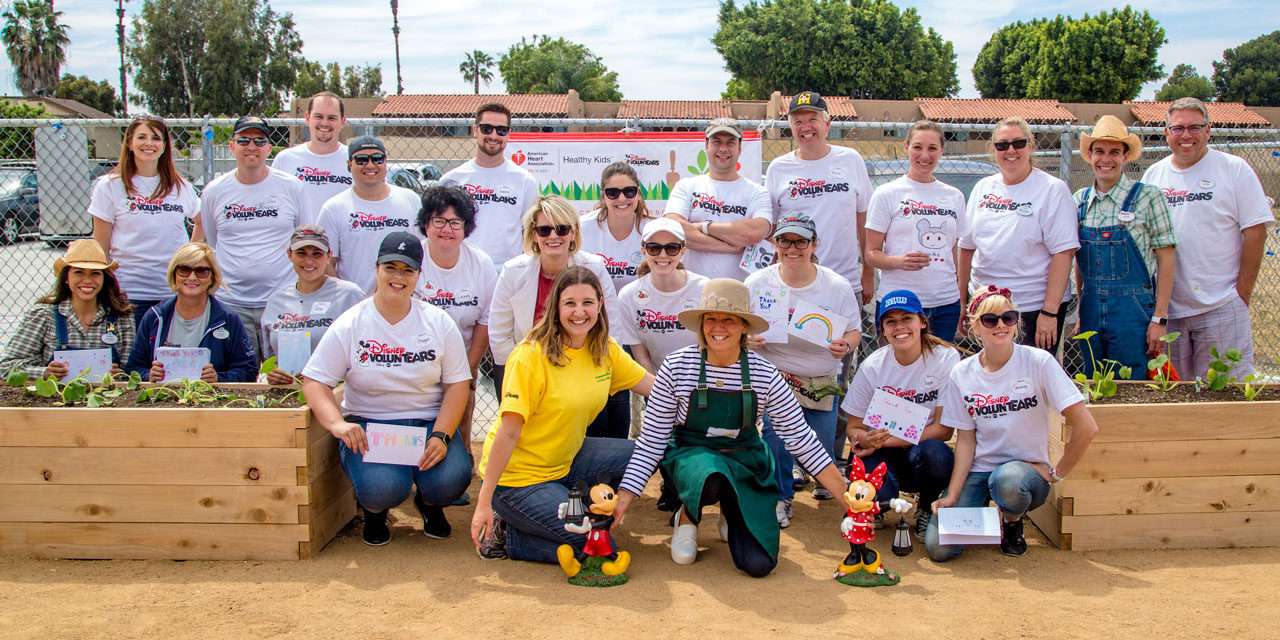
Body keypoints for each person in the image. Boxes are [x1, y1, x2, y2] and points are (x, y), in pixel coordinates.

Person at [613, 278, 850, 577]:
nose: (718, 327)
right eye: (710, 319)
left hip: (745, 461)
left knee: (759, 564)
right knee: (711, 472)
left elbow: (801, 440)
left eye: (729, 320)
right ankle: (687, 516)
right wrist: (623, 501)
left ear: (744, 327)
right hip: (691, 458)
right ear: (700, 325)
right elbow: (651, 442)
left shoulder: (766, 374)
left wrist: (847, 499)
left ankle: (732, 509)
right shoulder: (676, 367)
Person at [470, 266, 654, 564]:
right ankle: (509, 534)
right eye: (569, 303)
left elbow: (653, 388)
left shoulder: (603, 348)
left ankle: (566, 511)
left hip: (567, 460)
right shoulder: (530, 356)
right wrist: (484, 499)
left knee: (643, 452)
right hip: (520, 480)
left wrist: (703, 395)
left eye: (587, 303)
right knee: (599, 547)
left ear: (600, 305)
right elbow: (509, 432)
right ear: (555, 307)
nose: (579, 312)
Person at [301, 231, 473, 546]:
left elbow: (458, 384)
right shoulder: (352, 323)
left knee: (451, 478)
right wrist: (338, 424)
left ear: (419, 276)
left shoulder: (438, 322)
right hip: (371, 426)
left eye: (408, 270)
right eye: (390, 267)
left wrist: (441, 435)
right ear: (377, 268)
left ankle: (431, 504)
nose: (398, 276)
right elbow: (314, 380)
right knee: (383, 487)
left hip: (426, 424)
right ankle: (374, 511)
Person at [927, 286, 1098, 560]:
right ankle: (981, 504)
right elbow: (966, 440)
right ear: (974, 325)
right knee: (939, 548)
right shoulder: (962, 373)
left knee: (1008, 481)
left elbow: (1087, 426)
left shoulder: (1039, 362)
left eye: (1009, 317)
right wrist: (954, 494)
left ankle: (1011, 521)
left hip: (1024, 473)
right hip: (980, 470)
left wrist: (1057, 473)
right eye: (990, 320)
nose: (1001, 325)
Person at [1142, 97, 1273, 379]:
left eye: (1194, 127)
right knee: (1176, 399)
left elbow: (1255, 232)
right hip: (1170, 312)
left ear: (1208, 130)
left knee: (1227, 395)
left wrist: (1241, 294)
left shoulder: (1233, 169)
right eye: (1177, 128)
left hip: (1221, 306)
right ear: (1166, 132)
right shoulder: (1154, 175)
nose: (1186, 135)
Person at [744, 214, 860, 516]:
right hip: (775, 375)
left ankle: (825, 478)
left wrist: (845, 344)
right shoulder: (757, 283)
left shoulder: (836, 285)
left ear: (814, 244)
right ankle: (781, 496)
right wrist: (748, 339)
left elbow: (854, 330)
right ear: (774, 243)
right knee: (776, 436)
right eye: (785, 240)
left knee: (818, 445)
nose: (792, 248)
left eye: (801, 241)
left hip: (820, 378)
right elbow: (739, 327)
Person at [488, 195, 619, 436]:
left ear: (573, 233)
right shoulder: (513, 272)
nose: (553, 236)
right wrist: (526, 374)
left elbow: (612, 328)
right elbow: (499, 335)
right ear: (533, 235)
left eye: (561, 228)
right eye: (544, 230)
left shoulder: (594, 268)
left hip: (582, 366)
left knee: (615, 391)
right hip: (530, 368)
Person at [841, 289, 960, 541]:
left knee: (937, 454)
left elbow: (943, 429)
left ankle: (927, 506)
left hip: (921, 448)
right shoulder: (872, 366)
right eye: (891, 321)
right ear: (882, 330)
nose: (899, 327)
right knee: (874, 493)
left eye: (907, 318)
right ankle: (878, 507)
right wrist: (863, 438)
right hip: (882, 451)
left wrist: (883, 439)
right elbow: (853, 426)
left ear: (922, 322)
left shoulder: (945, 359)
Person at [958, 117, 1079, 353]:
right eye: (1002, 145)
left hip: (1031, 307)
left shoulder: (1052, 189)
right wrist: (963, 302)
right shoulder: (983, 187)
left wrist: (1049, 311)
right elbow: (966, 247)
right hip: (986, 306)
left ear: (1031, 145)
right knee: (992, 376)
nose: (1010, 150)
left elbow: (1063, 253)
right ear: (993, 150)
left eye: (1018, 143)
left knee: (1030, 380)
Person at [1074, 116, 1176, 379]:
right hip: (1091, 307)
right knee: (1094, 383)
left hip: (1133, 310)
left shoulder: (1148, 196)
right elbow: (1078, 261)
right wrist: (1080, 306)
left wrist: (1159, 319)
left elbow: (1166, 259)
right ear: (1089, 155)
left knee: (1131, 383)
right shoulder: (1079, 201)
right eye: (1099, 151)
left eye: (1114, 152)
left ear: (1126, 156)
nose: (1105, 159)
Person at [200, 115, 306, 359]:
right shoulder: (214, 191)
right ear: (232, 145)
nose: (251, 147)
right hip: (232, 301)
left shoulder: (292, 187)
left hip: (284, 299)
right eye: (244, 140)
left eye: (259, 141)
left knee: (288, 372)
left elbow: (301, 238)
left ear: (269, 147)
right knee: (239, 375)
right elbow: (214, 241)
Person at [89, 115, 201, 327]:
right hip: (127, 293)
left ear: (165, 145)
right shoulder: (109, 186)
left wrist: (189, 258)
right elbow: (100, 246)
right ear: (130, 143)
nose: (149, 143)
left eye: (156, 138)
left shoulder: (180, 187)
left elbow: (201, 220)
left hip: (172, 292)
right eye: (142, 137)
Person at [765, 92, 874, 304]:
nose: (806, 127)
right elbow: (771, 230)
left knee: (846, 338)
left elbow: (864, 222)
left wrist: (868, 274)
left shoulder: (850, 160)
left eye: (812, 119)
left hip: (844, 282)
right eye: (798, 122)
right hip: (794, 284)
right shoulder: (778, 168)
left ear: (827, 124)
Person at [865, 120, 966, 341]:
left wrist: (961, 297)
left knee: (939, 371)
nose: (925, 155)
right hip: (899, 302)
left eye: (932, 148)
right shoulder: (887, 193)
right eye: (918, 147)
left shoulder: (954, 196)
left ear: (941, 151)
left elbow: (955, 251)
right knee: (898, 371)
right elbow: (871, 254)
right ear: (906, 147)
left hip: (945, 304)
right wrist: (899, 262)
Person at [414, 185, 498, 442]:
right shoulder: (413, 257)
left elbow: (485, 321)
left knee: (463, 385)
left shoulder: (480, 263)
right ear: (426, 224)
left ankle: (463, 448)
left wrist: (468, 368)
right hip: (417, 355)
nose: (446, 229)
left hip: (462, 354)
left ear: (466, 228)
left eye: (455, 222)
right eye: (439, 221)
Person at [0, 240, 134, 379]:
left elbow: (131, 369)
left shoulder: (121, 317)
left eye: (95, 273)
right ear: (66, 278)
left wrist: (119, 375)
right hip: (53, 397)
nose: (87, 280)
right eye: (78, 272)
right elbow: (6, 367)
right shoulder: (44, 316)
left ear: (104, 279)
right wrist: (45, 373)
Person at [126, 242, 257, 383]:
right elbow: (133, 367)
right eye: (184, 270)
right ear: (174, 274)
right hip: (162, 399)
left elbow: (248, 370)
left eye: (202, 271)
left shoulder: (228, 319)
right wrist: (148, 375)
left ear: (212, 278)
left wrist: (218, 378)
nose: (192, 277)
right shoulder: (154, 317)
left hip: (212, 400)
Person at [664, 118, 771, 280]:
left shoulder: (757, 192)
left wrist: (705, 227)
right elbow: (673, 230)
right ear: (706, 146)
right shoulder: (686, 186)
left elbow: (754, 232)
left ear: (740, 148)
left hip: (739, 291)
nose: (723, 149)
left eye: (730, 143)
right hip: (691, 290)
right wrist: (731, 246)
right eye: (716, 142)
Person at [259, 225, 364, 384]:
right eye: (301, 253)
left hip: (335, 392)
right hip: (288, 396)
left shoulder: (350, 295)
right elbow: (269, 360)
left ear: (329, 256)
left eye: (317, 254)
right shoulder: (276, 301)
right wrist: (272, 375)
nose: (309, 261)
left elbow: (365, 352)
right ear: (289, 254)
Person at [317, 136, 423, 294]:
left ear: (385, 163)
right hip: (354, 306)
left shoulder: (410, 200)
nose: (370, 165)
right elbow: (326, 263)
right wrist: (346, 297)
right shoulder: (334, 208)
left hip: (401, 300)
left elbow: (422, 252)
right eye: (361, 160)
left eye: (378, 159)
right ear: (349, 164)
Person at [440, 102, 540, 266]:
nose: (494, 136)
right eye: (487, 129)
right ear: (475, 130)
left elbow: (530, 232)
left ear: (509, 134)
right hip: (462, 268)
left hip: (507, 272)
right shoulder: (452, 180)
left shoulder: (524, 181)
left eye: (501, 130)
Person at [616, 217, 708, 373]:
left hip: (702, 382)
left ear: (683, 251)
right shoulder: (628, 295)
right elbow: (641, 355)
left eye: (672, 248)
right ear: (643, 250)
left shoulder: (704, 288)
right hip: (656, 385)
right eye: (654, 248)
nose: (663, 255)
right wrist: (658, 391)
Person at [272, 91, 352, 225]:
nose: (325, 123)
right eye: (318, 116)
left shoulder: (357, 161)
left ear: (343, 121)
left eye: (332, 118)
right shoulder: (285, 159)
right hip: (300, 243)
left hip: (343, 243)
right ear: (307, 117)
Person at [579, 161, 653, 292]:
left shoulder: (653, 230)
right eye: (613, 193)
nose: (622, 198)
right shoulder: (582, 228)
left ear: (638, 194)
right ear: (603, 196)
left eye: (629, 191)